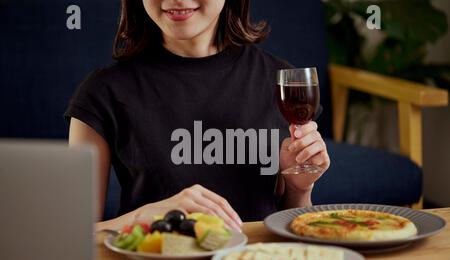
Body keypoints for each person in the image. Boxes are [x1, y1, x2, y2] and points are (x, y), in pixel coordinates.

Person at [64, 0, 330, 232]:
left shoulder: (282, 83)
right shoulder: (102, 92)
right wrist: (140, 217)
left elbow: (289, 226)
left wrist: (299, 189)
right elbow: (71, 236)